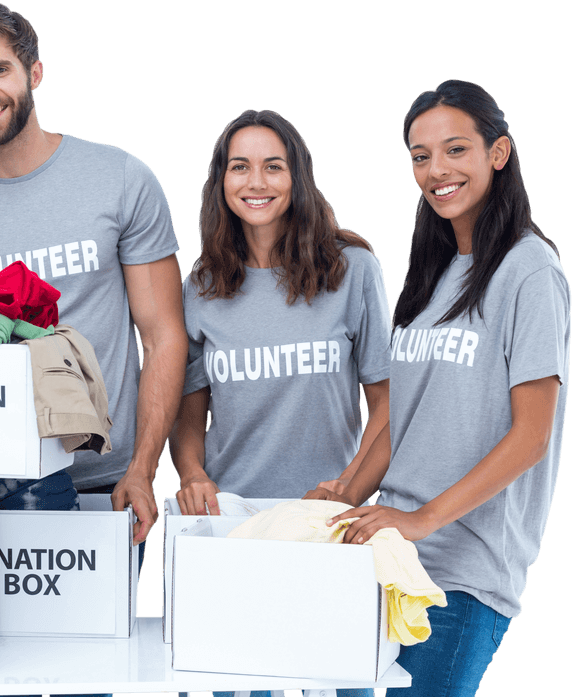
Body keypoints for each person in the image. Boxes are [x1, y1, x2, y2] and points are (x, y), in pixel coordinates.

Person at [307, 79, 568, 697]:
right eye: (421, 157)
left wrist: (422, 519)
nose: (436, 170)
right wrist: (347, 491)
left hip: (461, 574)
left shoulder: (530, 269)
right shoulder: (437, 274)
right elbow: (408, 417)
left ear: (497, 154)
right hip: (390, 561)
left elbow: (533, 433)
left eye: (455, 150)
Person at [0, 3, 187, 541]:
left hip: (107, 482)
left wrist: (143, 470)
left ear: (34, 72)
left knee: (107, 630)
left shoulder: (120, 179)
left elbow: (164, 335)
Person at [169, 109, 390, 697]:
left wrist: (348, 490)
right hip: (234, 532)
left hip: (327, 531)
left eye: (274, 166)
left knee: (338, 683)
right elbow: (188, 411)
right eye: (240, 167)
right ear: (221, 182)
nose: (257, 182)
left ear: (299, 179)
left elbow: (389, 404)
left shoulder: (354, 272)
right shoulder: (200, 290)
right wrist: (191, 473)